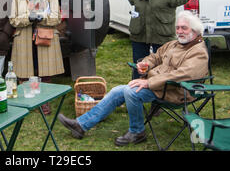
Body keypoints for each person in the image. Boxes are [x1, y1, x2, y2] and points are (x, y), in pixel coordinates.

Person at [57, 11, 208, 146]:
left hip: (178, 91)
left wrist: (149, 82)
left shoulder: (198, 52)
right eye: (178, 28)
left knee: (131, 93)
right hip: (160, 85)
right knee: (117, 91)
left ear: (195, 31)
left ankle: (137, 132)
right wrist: (145, 65)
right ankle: (81, 125)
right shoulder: (174, 44)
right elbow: (155, 56)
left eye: (184, 28)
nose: (180, 31)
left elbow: (181, 75)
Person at [9, 0, 64, 115]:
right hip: (24, 39)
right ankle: (30, 100)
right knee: (25, 72)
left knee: (44, 72)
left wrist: (40, 18)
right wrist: (28, 17)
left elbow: (56, 18)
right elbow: (13, 19)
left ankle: (43, 102)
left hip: (44, 37)